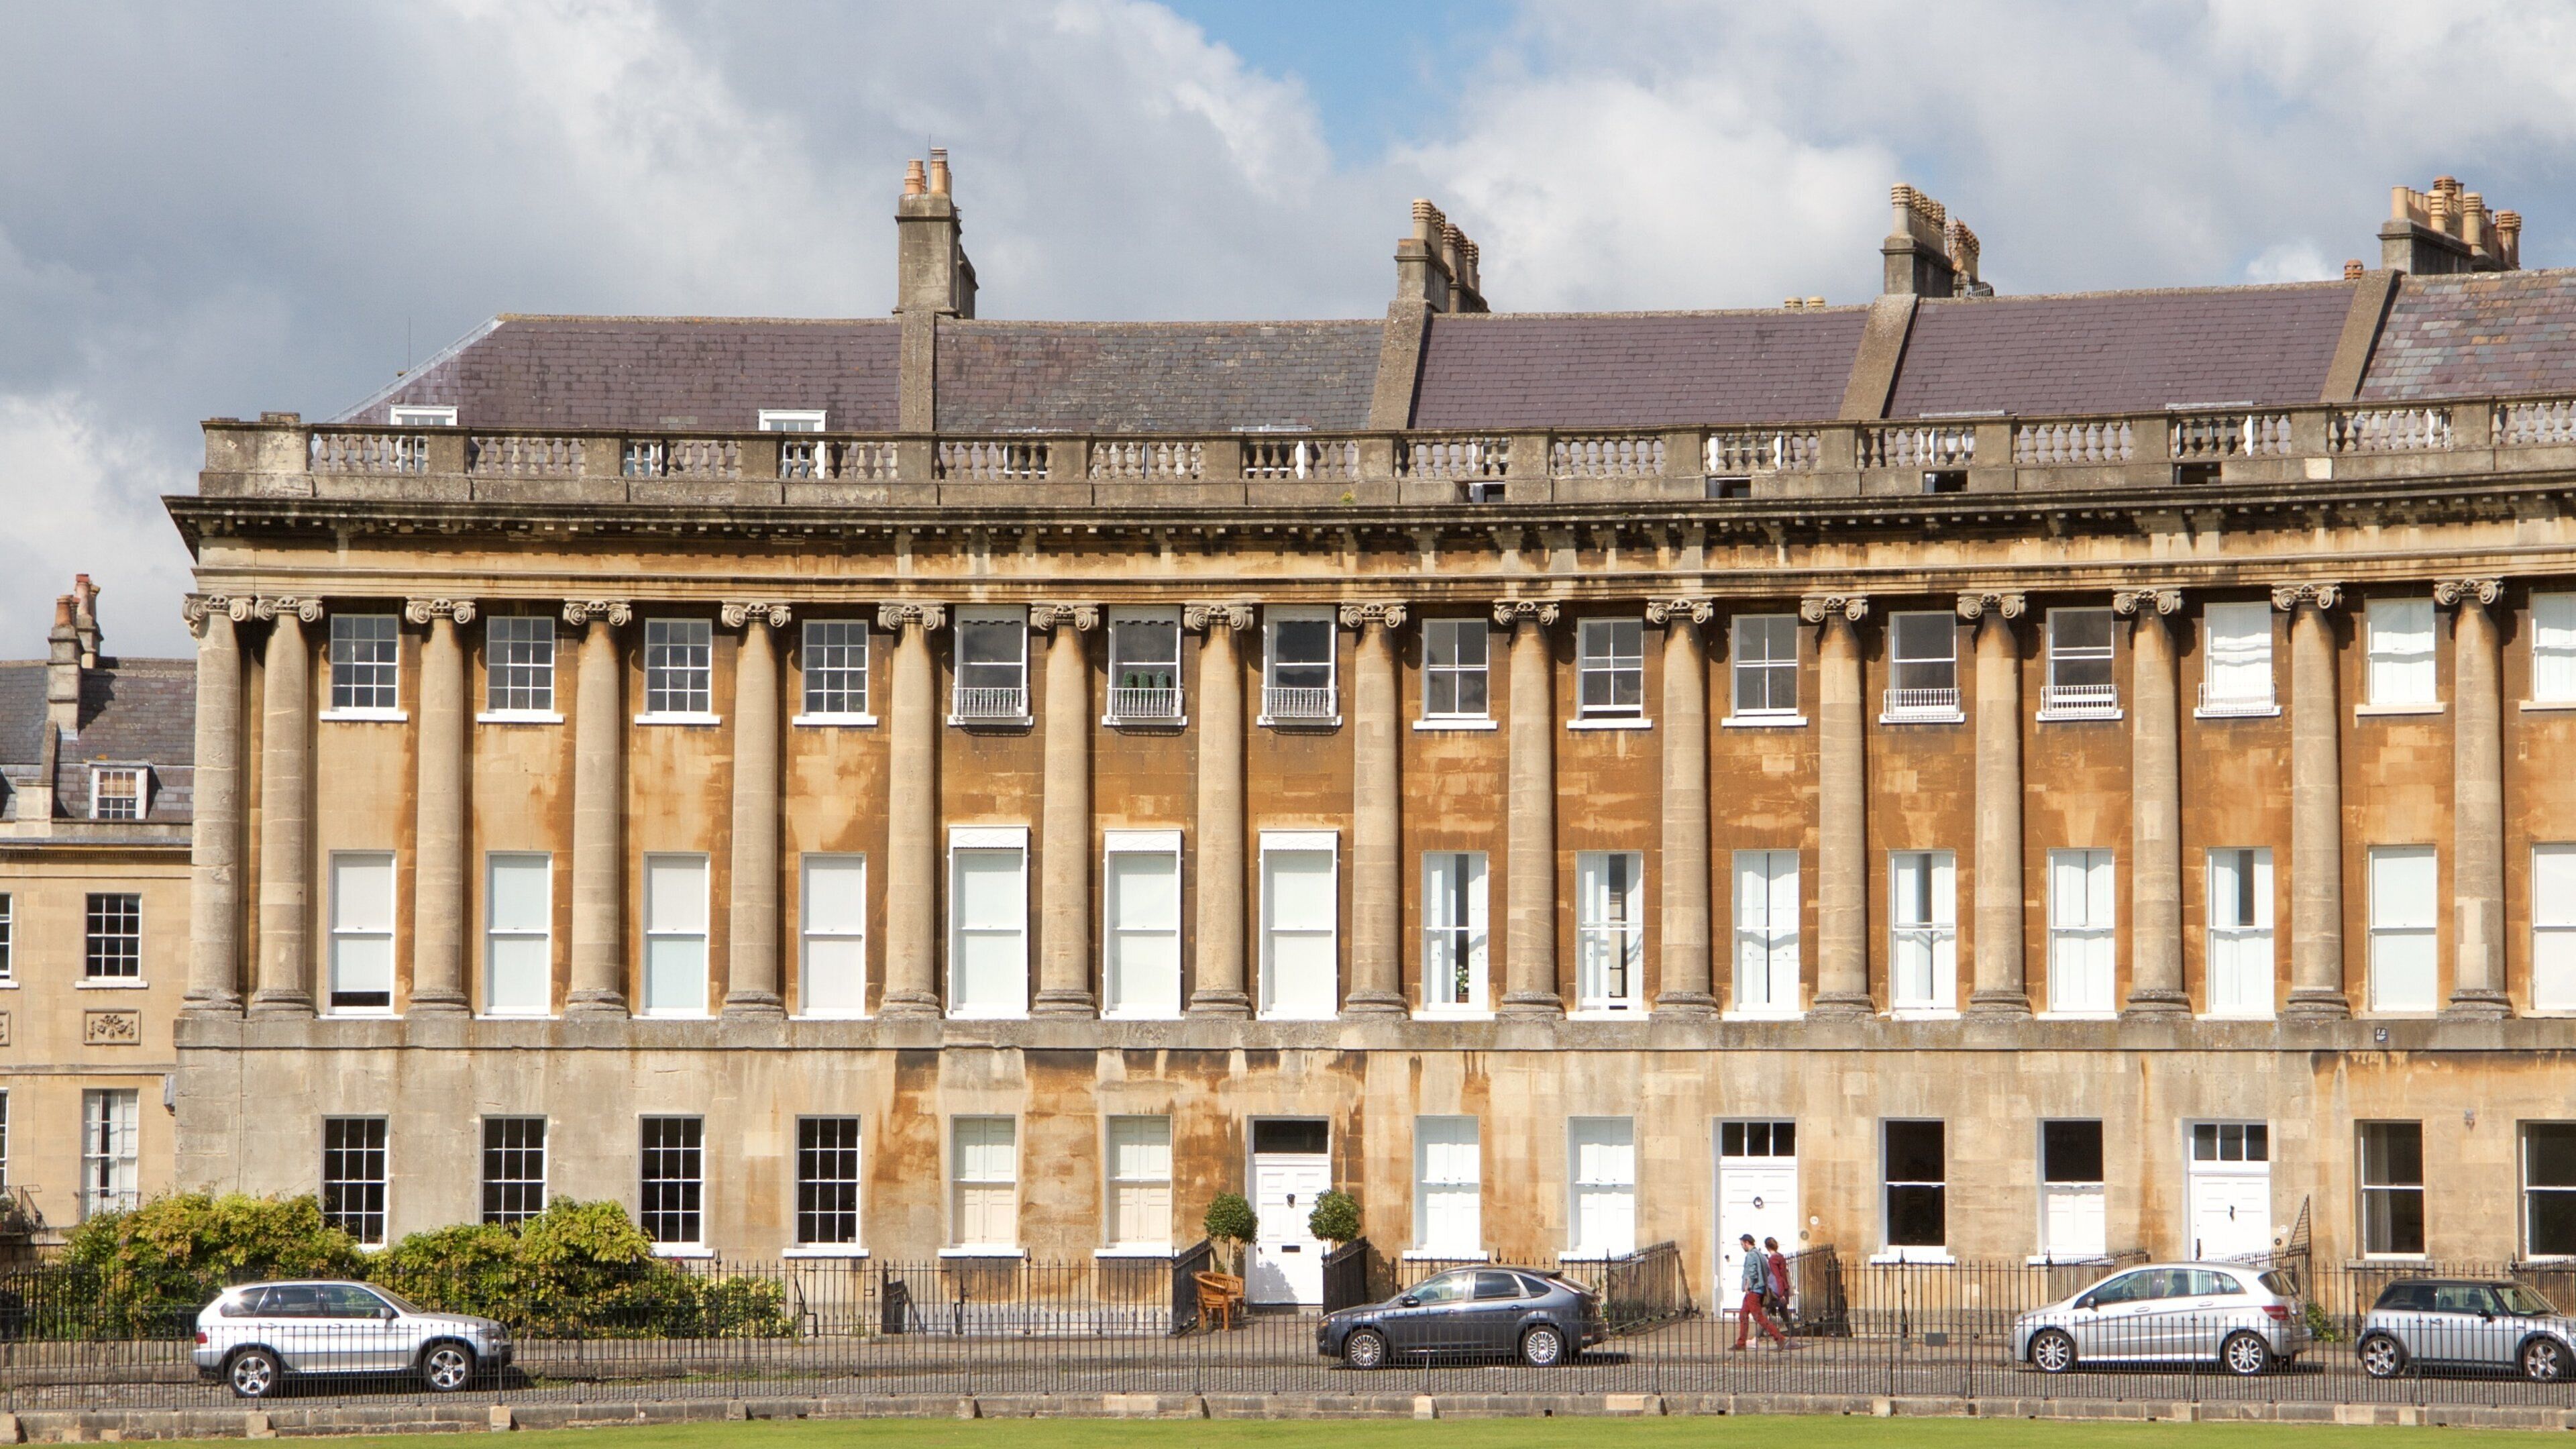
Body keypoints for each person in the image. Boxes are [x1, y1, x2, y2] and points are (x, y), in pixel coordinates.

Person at [1729, 1233, 1790, 1350]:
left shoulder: (1752, 1255)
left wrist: (1748, 1285)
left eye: (1742, 1244)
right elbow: (1767, 1270)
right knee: (1743, 1314)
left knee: (1758, 1317)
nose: (1742, 1247)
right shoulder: (1761, 1255)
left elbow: (1752, 1272)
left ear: (1747, 1243)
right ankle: (1741, 1343)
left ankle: (1779, 1337)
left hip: (1753, 1290)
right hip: (1759, 1288)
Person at [1762, 1237, 1794, 1328]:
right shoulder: (1780, 1257)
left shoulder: (1773, 1259)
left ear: (1766, 1247)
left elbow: (1778, 1277)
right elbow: (1783, 1275)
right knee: (1785, 1315)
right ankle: (1793, 1338)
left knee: (1764, 1312)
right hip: (1783, 1288)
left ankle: (1757, 1337)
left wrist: (1781, 1294)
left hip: (1776, 1291)